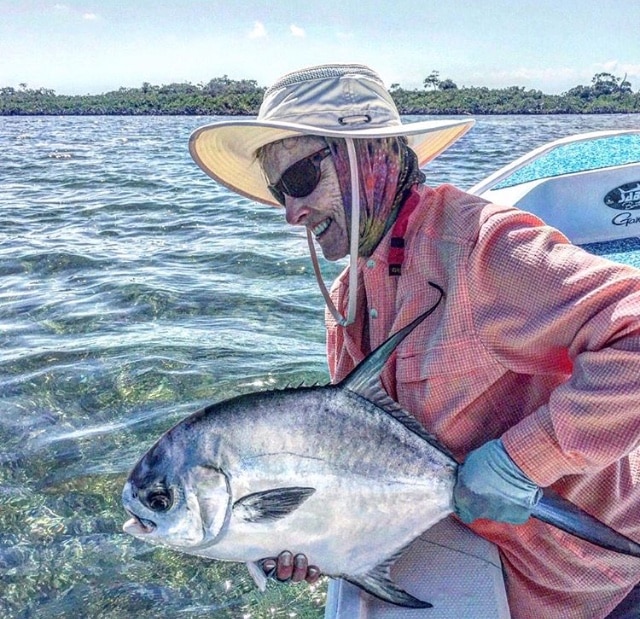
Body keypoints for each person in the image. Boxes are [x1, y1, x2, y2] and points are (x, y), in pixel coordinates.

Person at [188, 64, 640, 618]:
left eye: (301, 181)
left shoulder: (482, 248)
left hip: (579, 575)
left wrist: (522, 461)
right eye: (280, 191)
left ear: (369, 154)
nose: (290, 213)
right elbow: (354, 451)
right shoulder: (346, 303)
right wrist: (302, 533)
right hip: (455, 538)